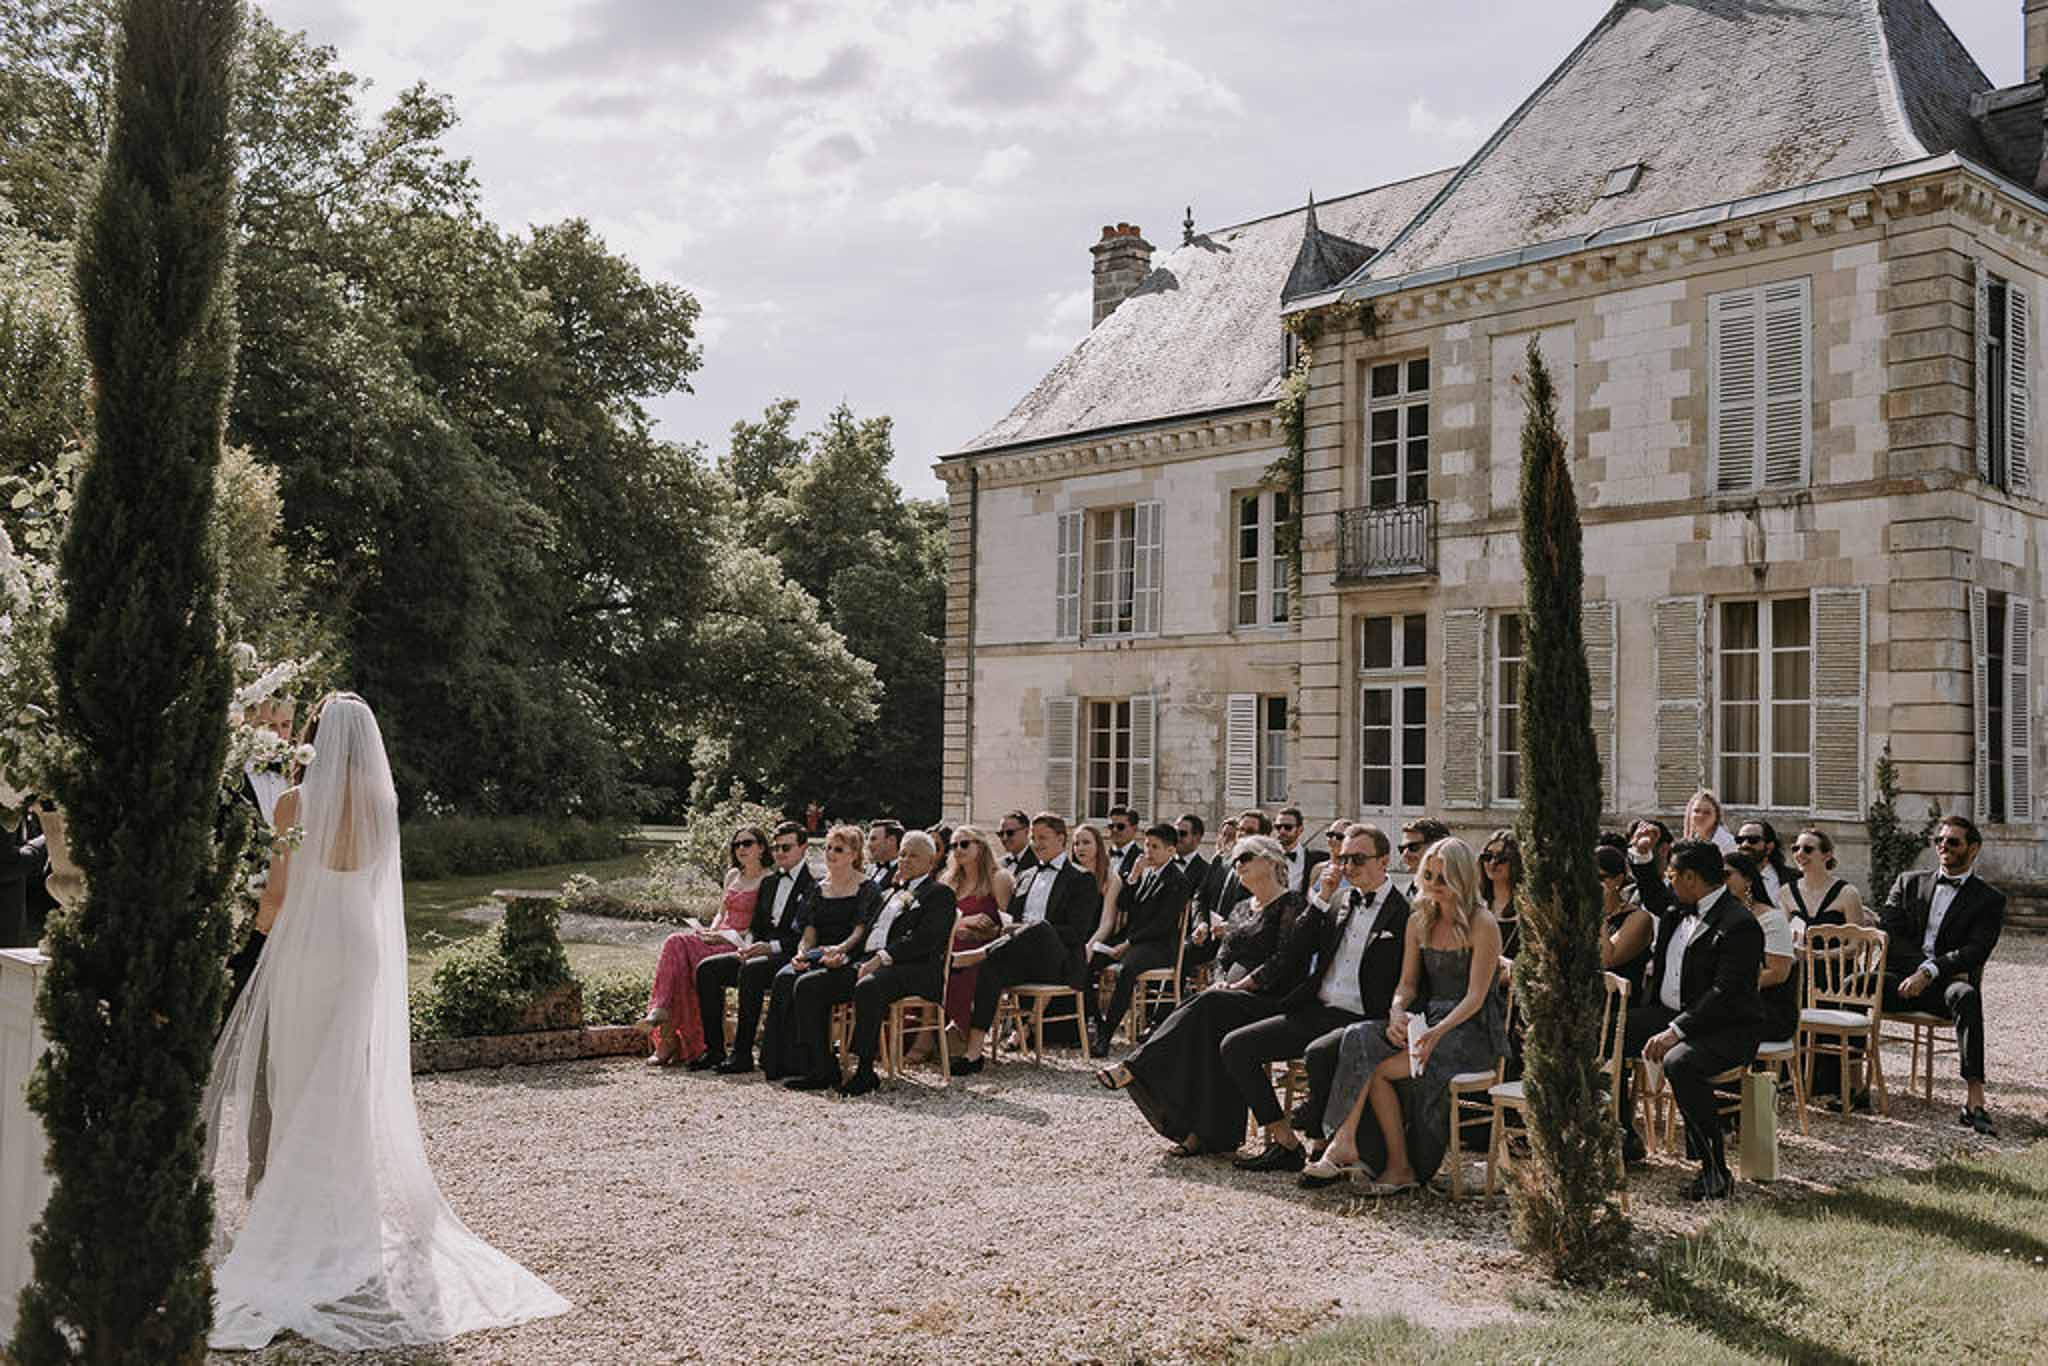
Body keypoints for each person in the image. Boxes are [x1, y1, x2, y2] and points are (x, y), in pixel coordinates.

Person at [202, 694, 568, 1350]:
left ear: (314, 736)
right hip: (357, 948)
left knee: (296, 1080)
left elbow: (278, 897)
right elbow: (373, 890)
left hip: (308, 949)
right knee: (344, 1082)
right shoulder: (380, 803)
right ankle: (348, 1223)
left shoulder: (294, 803)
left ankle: (297, 1218)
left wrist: (244, 944)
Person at [1299, 838, 1505, 1194]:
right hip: (1426, 1018)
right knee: (1358, 1035)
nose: (1434, 886)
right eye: (1429, 876)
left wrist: (1436, 1033)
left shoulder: (1482, 922)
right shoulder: (1418, 919)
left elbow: (1475, 997)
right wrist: (1396, 1012)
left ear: (1461, 879)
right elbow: (1407, 985)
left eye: (1443, 879)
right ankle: (1349, 1140)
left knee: (1381, 1070)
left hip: (1469, 1028)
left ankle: (1398, 1165)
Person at [1095, 835, 1320, 1157]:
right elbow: (1223, 957)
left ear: (1271, 862)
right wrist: (1219, 982)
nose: (1237, 865)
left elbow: (1285, 961)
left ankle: (1138, 1064)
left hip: (1270, 999)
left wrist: (1240, 987)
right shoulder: (1242, 907)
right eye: (1235, 859)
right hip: (1228, 996)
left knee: (1208, 1008)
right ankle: (1207, 1134)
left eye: (1245, 858)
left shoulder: (1292, 904)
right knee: (1206, 1022)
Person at [1221, 824, 1410, 1173]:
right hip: (1317, 1008)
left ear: (1385, 860)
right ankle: (1285, 1141)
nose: (1349, 867)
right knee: (1236, 1046)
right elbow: (1296, 950)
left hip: (1364, 1017)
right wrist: (1320, 899)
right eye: (1343, 859)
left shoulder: (1404, 913)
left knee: (1318, 1053)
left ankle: (1325, 1143)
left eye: (1358, 859)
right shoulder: (1336, 900)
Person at [1616, 839, 1763, 1200]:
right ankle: (1624, 1134)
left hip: (1726, 1026)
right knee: (1608, 1032)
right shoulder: (1677, 907)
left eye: (1673, 875)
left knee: (1680, 1061)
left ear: (1692, 878)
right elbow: (1651, 892)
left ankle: (1714, 1169)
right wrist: (1643, 856)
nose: (1668, 882)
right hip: (1668, 1013)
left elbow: (1725, 993)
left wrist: (1676, 1032)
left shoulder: (1739, 924)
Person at [789, 831, 958, 1096]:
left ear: (931, 861)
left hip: (913, 969)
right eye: (902, 854)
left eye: (914, 855)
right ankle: (822, 1067)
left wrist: (882, 958)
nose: (905, 860)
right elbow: (866, 934)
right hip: (867, 963)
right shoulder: (890, 892)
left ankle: (865, 1071)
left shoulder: (939, 894)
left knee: (869, 986)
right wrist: (843, 956)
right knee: (808, 985)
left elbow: (924, 940)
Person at [1879, 816, 2006, 1136]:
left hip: (1946, 984)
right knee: (1855, 986)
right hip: (1904, 979)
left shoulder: (1989, 899)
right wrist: (1921, 967)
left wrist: (1931, 971)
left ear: (1973, 849)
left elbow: (1976, 950)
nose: (1943, 847)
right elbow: (1889, 931)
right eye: (1939, 841)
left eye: (1953, 842)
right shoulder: (1908, 882)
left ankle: (1974, 1100)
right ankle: (1852, 1085)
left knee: (1967, 997)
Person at [950, 813, 1101, 1075]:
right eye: (1033, 838)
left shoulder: (1082, 878)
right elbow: (1012, 920)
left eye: (1043, 837)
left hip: (1059, 962)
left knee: (1040, 928)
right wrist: (1000, 928)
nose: (1036, 843)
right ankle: (973, 1053)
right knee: (991, 970)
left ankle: (977, 955)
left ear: (1061, 839)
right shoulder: (1026, 875)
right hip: (1022, 957)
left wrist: (1027, 930)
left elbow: (1077, 933)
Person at [760, 827, 880, 1082]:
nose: (831, 854)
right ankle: (789, 1061)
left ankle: (822, 1066)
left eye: (839, 849)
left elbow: (859, 931)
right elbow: (809, 930)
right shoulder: (817, 888)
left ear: (854, 854)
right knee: (784, 977)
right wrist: (802, 953)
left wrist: (840, 950)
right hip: (817, 952)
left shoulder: (867, 888)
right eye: (827, 848)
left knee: (807, 985)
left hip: (849, 956)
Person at [697, 822, 815, 1074]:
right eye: (777, 847)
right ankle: (714, 1049)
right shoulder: (770, 882)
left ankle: (742, 1055)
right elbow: (757, 926)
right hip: (758, 951)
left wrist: (768, 947)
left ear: (803, 848)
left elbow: (808, 935)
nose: (780, 852)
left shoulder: (813, 886)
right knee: (707, 969)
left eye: (787, 847)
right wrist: (747, 945)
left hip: (788, 956)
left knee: (751, 970)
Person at [643, 826, 764, 1065]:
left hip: (736, 944)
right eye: (737, 844)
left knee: (683, 957)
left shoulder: (767, 879)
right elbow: (721, 912)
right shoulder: (732, 875)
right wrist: (711, 929)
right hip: (717, 937)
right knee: (675, 943)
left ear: (761, 847)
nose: (741, 848)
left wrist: (723, 936)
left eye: (747, 843)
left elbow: (755, 927)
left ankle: (668, 1036)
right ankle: (664, 1020)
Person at [913, 825, 1014, 1061]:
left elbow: (1008, 926)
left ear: (981, 846)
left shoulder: (998, 879)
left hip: (984, 950)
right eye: (954, 845)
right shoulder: (948, 881)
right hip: (950, 945)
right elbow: (935, 924)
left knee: (959, 969)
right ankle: (928, 1032)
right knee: (932, 964)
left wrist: (985, 932)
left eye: (965, 844)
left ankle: (953, 1032)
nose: (958, 849)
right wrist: (964, 922)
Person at [1089, 823, 1191, 1053]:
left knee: (1126, 970)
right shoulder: (1145, 874)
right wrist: (1134, 877)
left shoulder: (1177, 880)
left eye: (1155, 847)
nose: (1148, 852)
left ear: (1171, 851)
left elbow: (1162, 924)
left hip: (1159, 945)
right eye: (1146, 845)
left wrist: (1128, 944)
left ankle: (1106, 1035)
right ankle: (1097, 1021)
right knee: (1086, 960)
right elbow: (1124, 905)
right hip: (1134, 939)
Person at [1726, 850, 1797, 1046]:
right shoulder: (1719, 915)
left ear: (1748, 880)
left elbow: (1778, 973)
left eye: (1727, 874)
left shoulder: (1771, 919)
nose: (1720, 881)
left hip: (1769, 1008)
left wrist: (1728, 988)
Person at [1598, 843, 1654, 1001]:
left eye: (1600, 878)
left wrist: (1596, 910)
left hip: (1618, 1005)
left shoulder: (1638, 918)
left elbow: (1606, 960)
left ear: (1618, 880)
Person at [1780, 827, 1863, 929]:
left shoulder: (1848, 893)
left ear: (1827, 856)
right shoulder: (1786, 892)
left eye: (1808, 849)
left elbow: (1857, 940)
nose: (1799, 854)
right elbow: (1782, 936)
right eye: (1795, 849)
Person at [1479, 828, 1522, 959]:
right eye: (1487, 856)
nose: (1492, 863)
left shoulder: (1527, 909)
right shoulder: (1476, 905)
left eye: (1501, 858)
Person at [1734, 819, 1794, 910]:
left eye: (1753, 840)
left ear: (1769, 846)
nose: (1744, 844)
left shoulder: (1793, 878)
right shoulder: (1726, 877)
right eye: (1739, 840)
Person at [1273, 806, 1326, 893]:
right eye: (1278, 827)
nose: (1282, 831)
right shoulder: (1266, 856)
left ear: (1300, 830)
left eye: (1288, 827)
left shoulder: (1317, 859)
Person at [1393, 818, 1449, 898]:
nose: (1405, 854)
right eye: (1402, 849)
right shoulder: (1400, 895)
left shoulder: (1459, 891)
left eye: (1413, 847)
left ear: (1437, 846)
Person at [1685, 789, 1738, 854]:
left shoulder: (1727, 843)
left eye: (1707, 812)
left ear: (1716, 817)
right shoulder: (1691, 840)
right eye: (1696, 811)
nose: (1700, 816)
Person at [1172, 812, 1209, 891]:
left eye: (1182, 833)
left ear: (1197, 838)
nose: (1177, 838)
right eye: (1175, 833)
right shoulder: (1163, 863)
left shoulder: (1206, 872)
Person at [1106, 805, 1144, 881]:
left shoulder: (1142, 858)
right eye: (1111, 826)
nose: (1115, 830)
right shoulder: (1102, 856)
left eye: (1120, 827)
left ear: (1134, 829)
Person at [995, 810, 1038, 876]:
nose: (1004, 838)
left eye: (1010, 833)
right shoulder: (999, 864)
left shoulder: (1038, 861)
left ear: (1026, 831)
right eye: (1000, 833)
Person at [865, 820, 903, 886]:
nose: (868, 844)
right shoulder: (868, 868)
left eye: (873, 839)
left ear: (891, 840)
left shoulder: (905, 871)